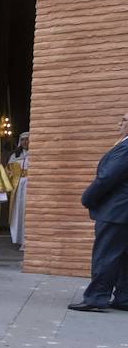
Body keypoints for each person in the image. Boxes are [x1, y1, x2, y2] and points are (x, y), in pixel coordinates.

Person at [69, 110, 128, 312]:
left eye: (124, 120)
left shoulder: (126, 148)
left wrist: (87, 197)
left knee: (106, 255)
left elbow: (107, 178)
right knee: (124, 257)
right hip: (122, 212)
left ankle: (96, 297)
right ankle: (124, 297)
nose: (119, 124)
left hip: (116, 210)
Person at [7, 132, 30, 248]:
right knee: (18, 212)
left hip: (30, 185)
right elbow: (8, 171)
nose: (25, 142)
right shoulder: (15, 156)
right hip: (17, 187)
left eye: (27, 139)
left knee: (27, 212)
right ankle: (19, 239)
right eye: (23, 140)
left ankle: (27, 240)